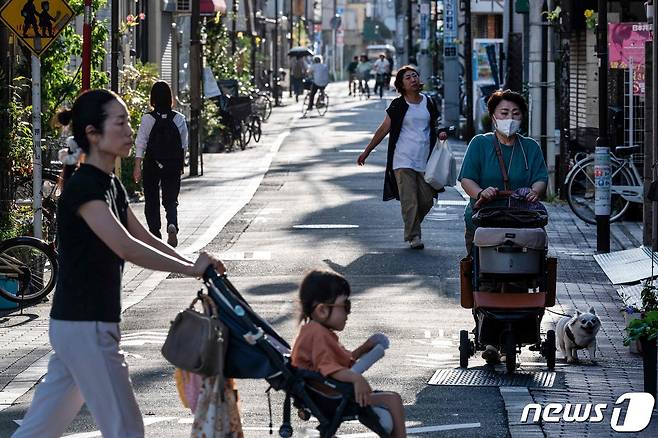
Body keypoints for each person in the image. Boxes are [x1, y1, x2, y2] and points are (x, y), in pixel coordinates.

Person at [11, 89, 225, 438]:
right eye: (121, 123)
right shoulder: (83, 188)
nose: (129, 131)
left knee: (39, 430)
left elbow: (144, 237)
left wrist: (194, 261)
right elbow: (126, 247)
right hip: (86, 326)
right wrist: (192, 269)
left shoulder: (109, 184)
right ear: (93, 133)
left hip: (80, 325)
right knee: (126, 429)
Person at [457, 89, 548, 365]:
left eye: (515, 114)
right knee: (484, 276)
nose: (510, 118)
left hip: (522, 224)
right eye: (504, 113)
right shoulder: (480, 144)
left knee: (524, 275)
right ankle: (489, 336)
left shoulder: (529, 147)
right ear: (493, 116)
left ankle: (521, 329)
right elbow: (467, 179)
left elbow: (540, 179)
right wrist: (480, 193)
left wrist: (534, 192)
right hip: (483, 224)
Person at [291, 269, 407, 438]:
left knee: (390, 401)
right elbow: (328, 367)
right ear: (322, 310)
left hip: (327, 393)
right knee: (393, 400)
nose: (348, 312)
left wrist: (364, 348)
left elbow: (338, 363)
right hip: (333, 397)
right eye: (345, 306)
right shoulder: (318, 334)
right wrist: (356, 379)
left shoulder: (314, 332)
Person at [357, 66, 440, 249]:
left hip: (425, 159)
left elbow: (436, 125)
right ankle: (414, 236)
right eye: (408, 77)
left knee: (426, 199)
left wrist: (441, 134)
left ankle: (412, 224)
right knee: (409, 200)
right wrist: (367, 151)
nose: (413, 79)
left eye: (415, 76)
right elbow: (383, 129)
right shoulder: (398, 105)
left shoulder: (429, 102)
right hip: (402, 160)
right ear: (401, 84)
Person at [133, 81, 188, 247]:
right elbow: (183, 145)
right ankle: (172, 223)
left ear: (153, 98)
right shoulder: (179, 119)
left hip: (152, 163)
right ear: (170, 98)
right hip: (172, 163)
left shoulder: (147, 119)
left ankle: (155, 234)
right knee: (171, 198)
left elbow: (140, 143)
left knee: (151, 198)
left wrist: (137, 166)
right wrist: (181, 165)